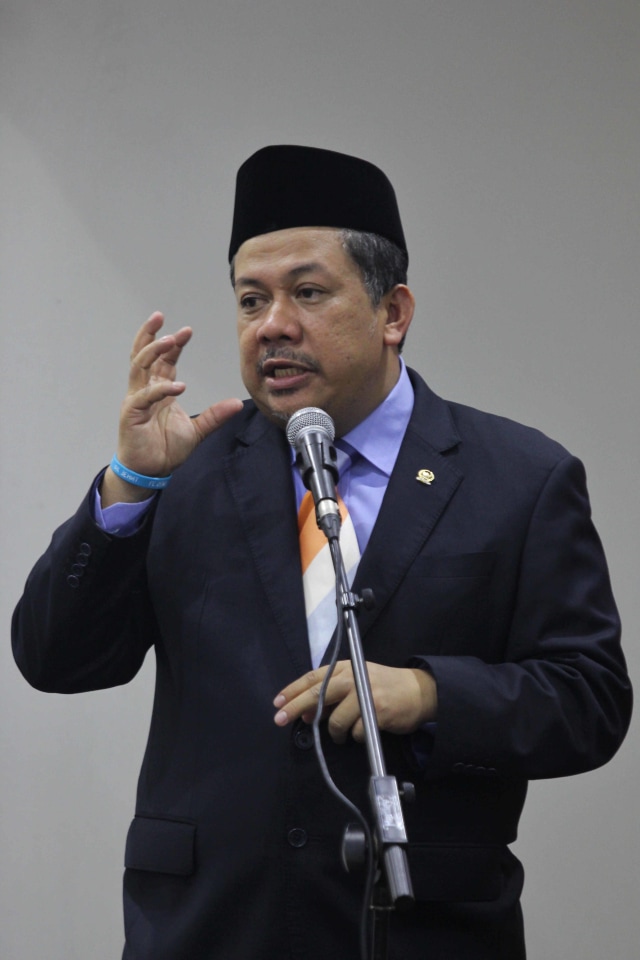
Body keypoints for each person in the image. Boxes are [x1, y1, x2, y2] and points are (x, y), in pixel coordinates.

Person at [12, 145, 632, 960]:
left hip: (425, 930)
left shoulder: (518, 478)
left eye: (307, 292)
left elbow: (589, 700)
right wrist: (128, 486)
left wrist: (429, 693)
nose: (273, 324)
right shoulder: (186, 473)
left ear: (393, 311)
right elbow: (57, 657)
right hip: (211, 929)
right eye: (250, 299)